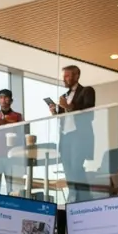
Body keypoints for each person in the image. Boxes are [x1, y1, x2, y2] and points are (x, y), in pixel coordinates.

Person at [47, 65, 95, 204]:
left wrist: (68, 106)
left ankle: (82, 198)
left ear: (76, 76)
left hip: (79, 136)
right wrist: (55, 112)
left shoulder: (87, 91)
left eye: (67, 76)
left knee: (76, 167)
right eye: (63, 76)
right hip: (65, 137)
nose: (64, 79)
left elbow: (89, 113)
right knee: (68, 169)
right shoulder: (64, 96)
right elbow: (64, 119)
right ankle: (75, 196)